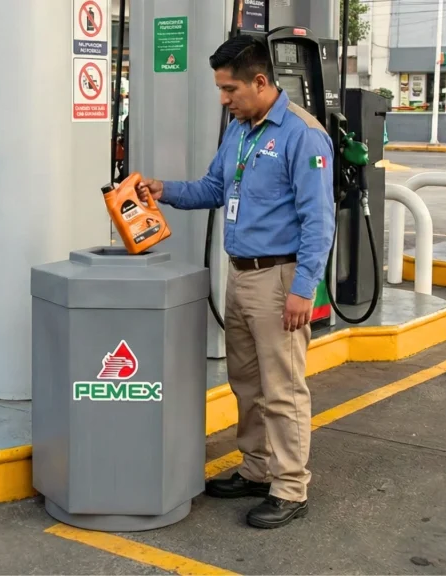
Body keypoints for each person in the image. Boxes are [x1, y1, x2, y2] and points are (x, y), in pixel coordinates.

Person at [137, 34, 336, 529]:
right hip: (241, 274)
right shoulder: (239, 131)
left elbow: (319, 221)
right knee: (246, 382)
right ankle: (256, 468)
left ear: (260, 82)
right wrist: (165, 190)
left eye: (230, 89)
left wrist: (303, 289)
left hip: (280, 278)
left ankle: (290, 488)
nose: (224, 99)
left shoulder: (303, 135)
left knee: (283, 388)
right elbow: (213, 188)